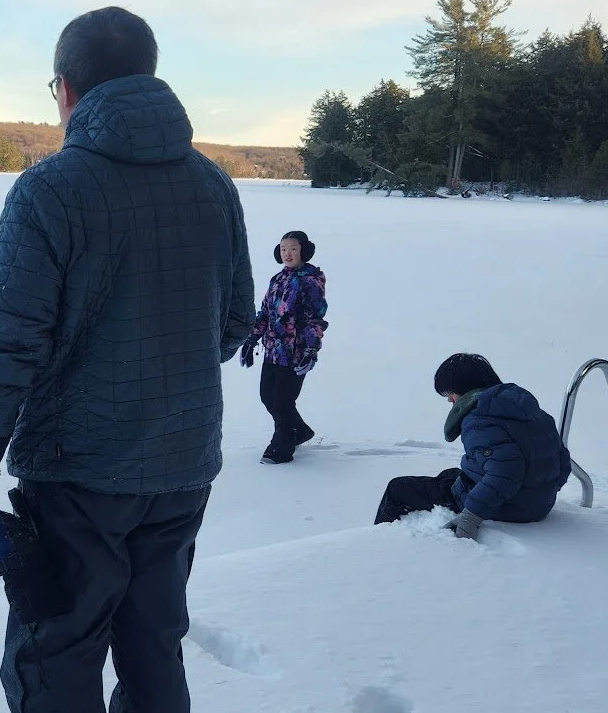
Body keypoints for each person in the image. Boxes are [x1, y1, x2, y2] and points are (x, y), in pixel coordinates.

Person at [0, 7, 255, 713]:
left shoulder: (50, 189)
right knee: (152, 641)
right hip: (181, 468)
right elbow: (234, 321)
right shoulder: (211, 184)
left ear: (68, 89)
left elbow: (8, 343)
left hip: (78, 475)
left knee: (57, 661)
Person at [374, 352, 571, 539]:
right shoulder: (529, 412)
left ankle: (380, 543)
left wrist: (471, 516)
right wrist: (540, 493)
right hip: (540, 504)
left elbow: (506, 472)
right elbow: (562, 459)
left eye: (450, 392)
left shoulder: (479, 419)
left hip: (508, 508)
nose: (449, 399)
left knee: (398, 489)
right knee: (449, 475)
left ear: (464, 388)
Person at [240, 230, 328, 462]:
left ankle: (282, 446)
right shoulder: (278, 279)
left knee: (282, 402)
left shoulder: (311, 281)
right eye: (283, 249)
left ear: (304, 251)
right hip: (273, 351)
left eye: (293, 249)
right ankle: (300, 431)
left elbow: (315, 319)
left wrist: (310, 349)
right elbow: (265, 313)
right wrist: (251, 340)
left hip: (296, 352)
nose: (287, 253)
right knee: (267, 396)